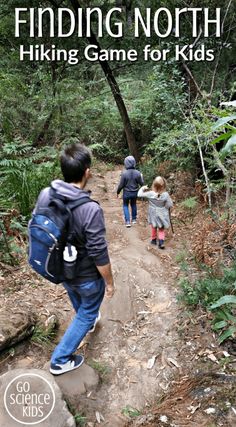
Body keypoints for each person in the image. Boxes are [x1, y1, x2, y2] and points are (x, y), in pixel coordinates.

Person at [34, 143, 115, 375]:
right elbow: (99, 253)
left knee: (78, 297)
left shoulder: (46, 195)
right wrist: (109, 282)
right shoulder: (90, 209)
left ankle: (87, 321)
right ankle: (60, 360)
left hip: (61, 269)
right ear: (87, 172)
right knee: (88, 310)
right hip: (87, 275)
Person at [138, 176, 173, 249]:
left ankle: (153, 240)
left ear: (153, 184)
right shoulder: (165, 195)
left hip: (153, 213)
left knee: (153, 226)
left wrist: (143, 188)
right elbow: (169, 204)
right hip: (162, 214)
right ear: (163, 185)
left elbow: (139, 194)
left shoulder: (150, 193)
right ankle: (161, 242)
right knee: (161, 228)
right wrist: (165, 207)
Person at [117, 155, 144, 227]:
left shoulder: (124, 173)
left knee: (125, 205)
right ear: (134, 163)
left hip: (126, 193)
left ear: (126, 163)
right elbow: (142, 184)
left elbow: (121, 185)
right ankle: (134, 219)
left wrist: (118, 192)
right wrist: (141, 177)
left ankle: (128, 221)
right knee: (133, 204)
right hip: (135, 193)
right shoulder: (138, 173)